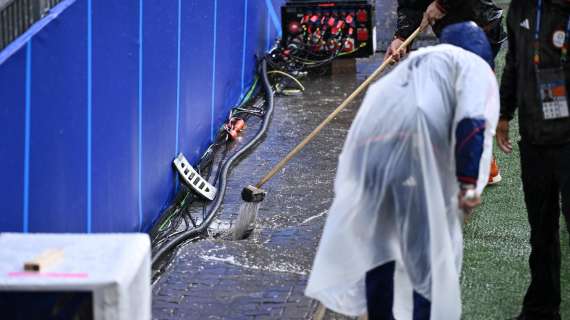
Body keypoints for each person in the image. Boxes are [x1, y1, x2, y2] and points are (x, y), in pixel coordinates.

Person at [305, 22, 499, 320]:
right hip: (415, 165)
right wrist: (469, 186)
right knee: (426, 257)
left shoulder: (418, 63)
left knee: (380, 249)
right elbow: (471, 127)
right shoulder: (471, 66)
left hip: (373, 159)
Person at [497, 1, 570, 319]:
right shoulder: (521, 8)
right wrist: (504, 111)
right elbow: (513, 60)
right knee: (541, 230)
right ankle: (542, 307)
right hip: (535, 137)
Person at [385, 0, 506, 185]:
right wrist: (401, 38)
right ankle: (478, 161)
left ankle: (478, 162)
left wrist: (442, 4)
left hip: (480, 24)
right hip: (453, 32)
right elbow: (411, 5)